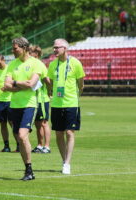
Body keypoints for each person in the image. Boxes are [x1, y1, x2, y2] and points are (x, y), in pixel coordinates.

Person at [4, 37, 43, 181]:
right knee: (20, 139)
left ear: (24, 48)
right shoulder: (12, 64)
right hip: (15, 106)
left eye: (15, 48)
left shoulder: (36, 63)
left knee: (21, 135)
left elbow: (31, 84)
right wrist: (21, 85)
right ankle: (28, 170)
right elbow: (6, 85)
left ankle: (29, 169)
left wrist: (14, 83)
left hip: (29, 105)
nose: (12, 51)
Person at [47, 38, 85, 175]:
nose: (55, 50)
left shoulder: (75, 63)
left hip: (71, 103)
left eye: (57, 47)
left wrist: (76, 95)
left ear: (65, 48)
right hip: (57, 103)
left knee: (69, 132)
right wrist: (51, 93)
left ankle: (67, 163)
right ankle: (64, 161)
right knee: (58, 133)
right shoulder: (52, 65)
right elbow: (50, 82)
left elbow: (81, 83)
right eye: (54, 47)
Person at [0, 54, 19, 152]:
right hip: (0, 101)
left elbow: (16, 82)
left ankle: (19, 145)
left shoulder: (11, 69)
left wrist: (8, 87)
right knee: (2, 123)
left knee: (12, 123)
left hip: (11, 100)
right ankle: (6, 146)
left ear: (3, 60)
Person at [29, 45, 52, 154]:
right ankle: (39, 145)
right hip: (34, 99)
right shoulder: (30, 65)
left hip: (42, 99)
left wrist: (49, 91)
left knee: (44, 123)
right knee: (38, 124)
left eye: (30, 53)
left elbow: (47, 80)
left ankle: (46, 146)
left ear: (36, 55)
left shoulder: (41, 65)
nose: (28, 54)